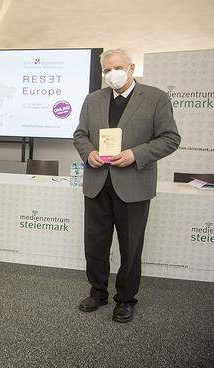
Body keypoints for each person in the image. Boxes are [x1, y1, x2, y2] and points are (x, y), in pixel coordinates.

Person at [73, 49, 180, 323]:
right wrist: (89, 153)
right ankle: (98, 292)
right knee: (95, 244)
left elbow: (170, 138)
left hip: (133, 184)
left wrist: (135, 154)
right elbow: (80, 134)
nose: (112, 74)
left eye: (118, 67)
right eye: (107, 70)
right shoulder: (92, 99)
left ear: (131, 68)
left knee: (130, 247)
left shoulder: (156, 98)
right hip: (97, 183)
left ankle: (125, 299)